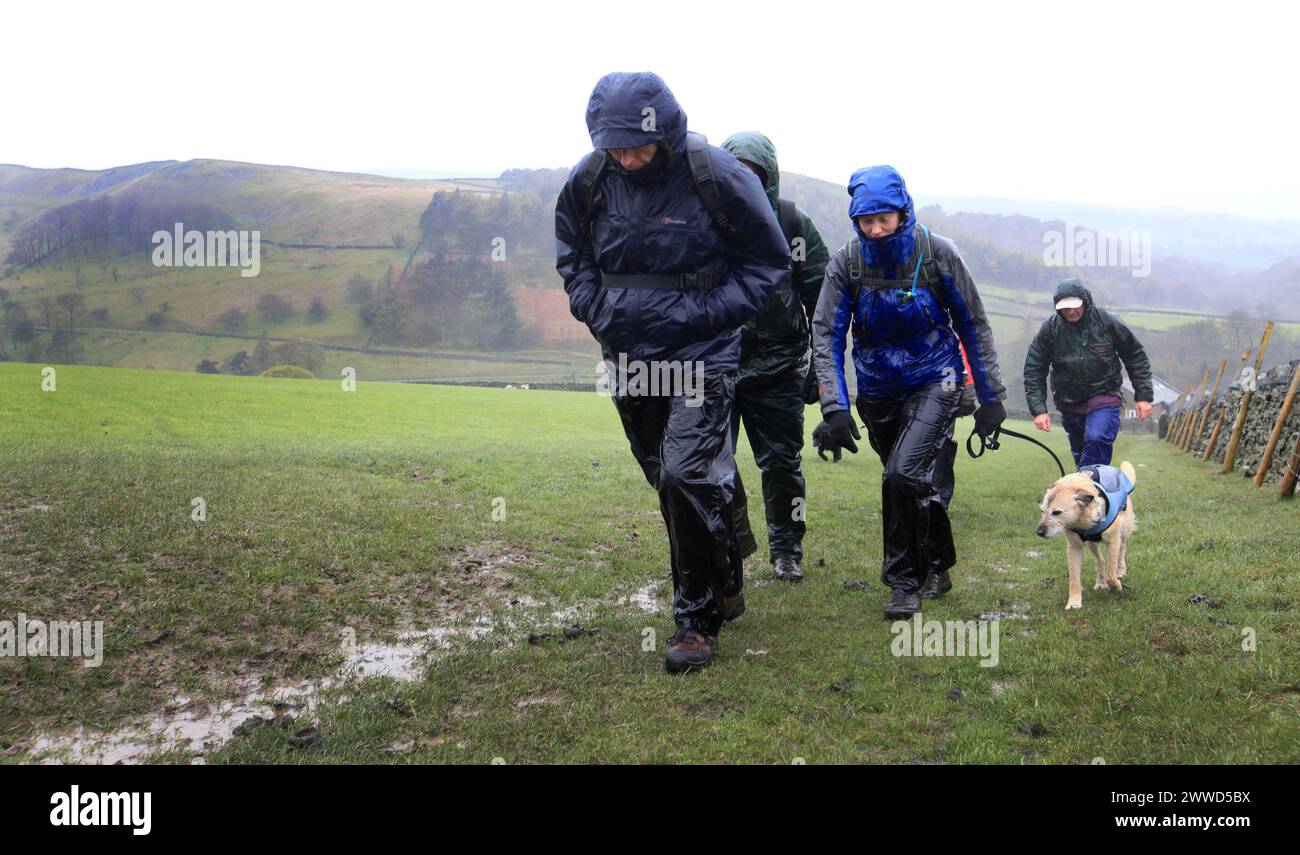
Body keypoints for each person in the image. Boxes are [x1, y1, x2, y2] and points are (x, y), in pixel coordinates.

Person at [554, 72, 790, 672]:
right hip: (628, 357)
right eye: (615, 147)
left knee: (685, 474)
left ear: (663, 127)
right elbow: (572, 256)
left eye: (636, 145)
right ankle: (728, 568)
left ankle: (695, 622)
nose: (627, 158)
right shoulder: (590, 179)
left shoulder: (715, 174)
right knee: (668, 476)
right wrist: (596, 308)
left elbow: (767, 261)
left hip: (701, 354)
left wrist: (709, 313)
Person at [811, 166, 1007, 619]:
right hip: (877, 391)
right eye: (866, 221)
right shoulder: (847, 263)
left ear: (903, 212)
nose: (876, 229)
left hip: (935, 380)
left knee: (900, 476)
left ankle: (904, 584)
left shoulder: (938, 254)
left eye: (884, 218)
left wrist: (991, 396)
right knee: (912, 483)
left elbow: (973, 324)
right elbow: (826, 333)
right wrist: (835, 406)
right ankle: (939, 565)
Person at [720, 132, 829, 582]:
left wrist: (820, 372)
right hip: (716, 367)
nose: (744, 179)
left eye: (754, 172)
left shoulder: (791, 223)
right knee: (708, 466)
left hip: (779, 368)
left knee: (783, 465)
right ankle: (724, 545)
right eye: (736, 170)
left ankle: (787, 549)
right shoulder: (704, 218)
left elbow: (821, 300)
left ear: (768, 176)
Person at [1024, 277, 1153, 467]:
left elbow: (1135, 355)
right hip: (1069, 401)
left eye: (1075, 305)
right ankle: (1091, 489)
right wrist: (1039, 410)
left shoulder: (1107, 322)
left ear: (1086, 301)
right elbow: (1034, 369)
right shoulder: (1050, 330)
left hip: (1105, 395)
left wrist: (1143, 396)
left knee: (1096, 438)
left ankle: (1088, 486)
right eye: (1065, 307)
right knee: (1081, 451)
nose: (1071, 311)